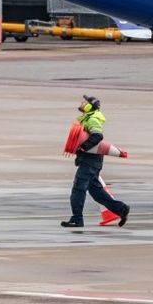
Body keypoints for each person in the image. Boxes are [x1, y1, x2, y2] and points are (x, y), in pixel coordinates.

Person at [61, 95, 130, 228]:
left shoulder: (93, 119)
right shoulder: (90, 117)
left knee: (78, 189)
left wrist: (83, 147)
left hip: (89, 161)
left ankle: (77, 219)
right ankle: (121, 209)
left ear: (90, 105)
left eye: (85, 102)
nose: (82, 103)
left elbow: (98, 135)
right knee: (97, 193)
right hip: (93, 161)